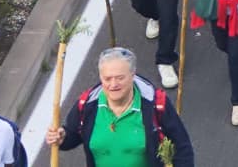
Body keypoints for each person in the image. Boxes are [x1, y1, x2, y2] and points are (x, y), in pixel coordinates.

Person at [45, 47, 194, 167]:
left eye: (120, 78)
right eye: (107, 78)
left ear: (132, 75)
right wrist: (61, 138)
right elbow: (72, 134)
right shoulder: (87, 104)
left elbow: (182, 146)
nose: (113, 84)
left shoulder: (156, 103)